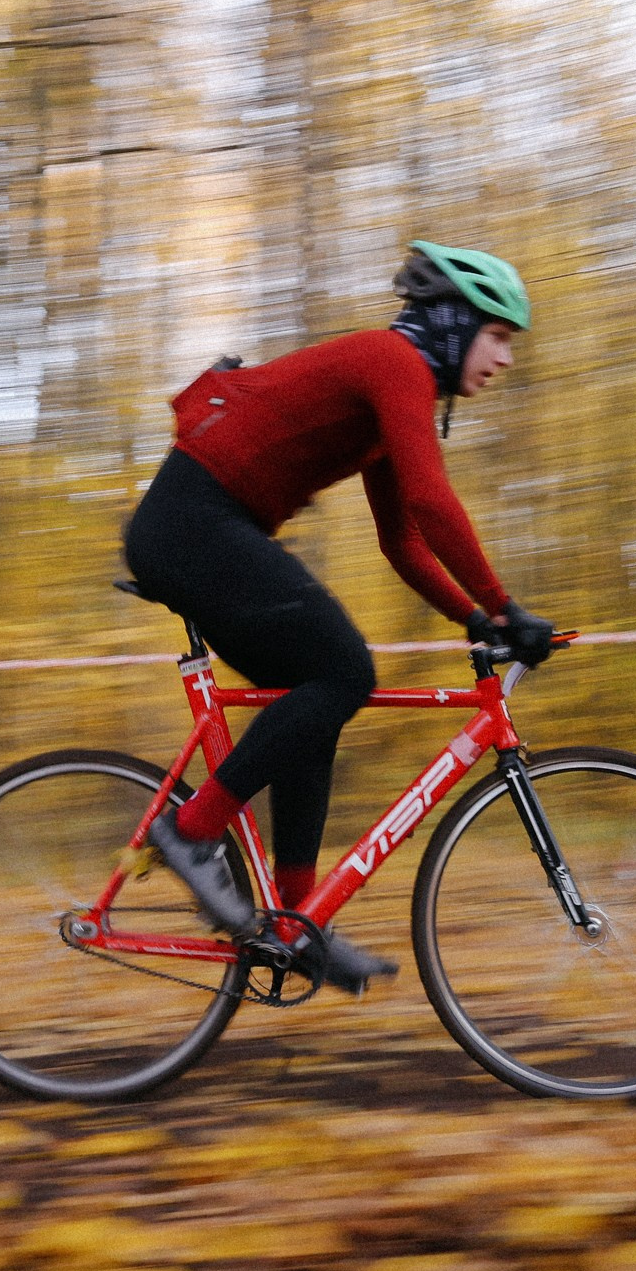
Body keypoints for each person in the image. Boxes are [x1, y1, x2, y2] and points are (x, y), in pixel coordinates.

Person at [121, 240, 557, 994]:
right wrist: (503, 605)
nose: (506, 359)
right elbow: (431, 499)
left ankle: (294, 924)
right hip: (192, 523)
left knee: (316, 695)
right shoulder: (395, 363)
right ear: (454, 324)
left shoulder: (398, 394)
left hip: (203, 527)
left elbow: (403, 540)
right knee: (343, 669)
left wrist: (473, 620)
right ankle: (190, 835)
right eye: (498, 336)